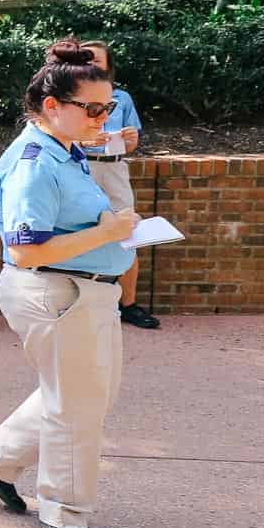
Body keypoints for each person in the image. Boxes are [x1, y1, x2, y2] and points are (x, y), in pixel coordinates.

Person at [0, 38, 140, 528]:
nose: (103, 116)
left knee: (85, 396)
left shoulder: (63, 149)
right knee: (75, 406)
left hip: (81, 290)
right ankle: (64, 512)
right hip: (58, 290)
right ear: (53, 107)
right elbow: (24, 247)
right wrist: (108, 231)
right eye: (94, 108)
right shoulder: (37, 161)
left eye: (107, 106)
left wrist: (111, 234)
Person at [80, 40, 160, 330]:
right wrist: (87, 141)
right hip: (81, 167)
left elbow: (132, 142)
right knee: (79, 232)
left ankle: (128, 304)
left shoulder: (122, 98)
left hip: (114, 168)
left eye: (97, 60)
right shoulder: (70, 97)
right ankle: (84, 303)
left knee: (128, 233)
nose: (91, 64)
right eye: (86, 59)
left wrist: (129, 139)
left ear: (108, 66)